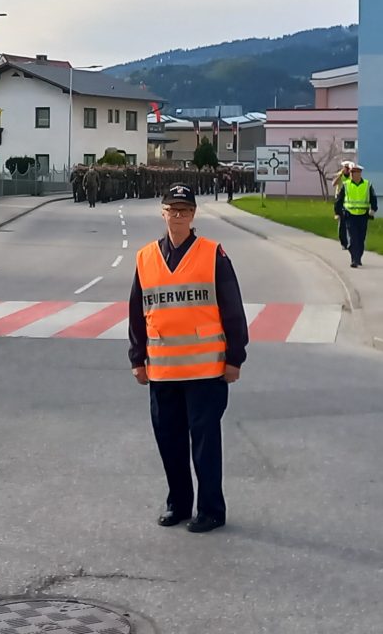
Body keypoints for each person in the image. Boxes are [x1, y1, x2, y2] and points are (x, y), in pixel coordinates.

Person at [129, 183, 249, 534]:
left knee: (205, 443)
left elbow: (233, 310)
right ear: (162, 213)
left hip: (206, 370)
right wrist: (138, 357)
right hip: (163, 370)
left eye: (184, 210)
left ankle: (211, 509)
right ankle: (178, 504)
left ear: (193, 215)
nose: (177, 216)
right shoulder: (146, 257)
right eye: (172, 209)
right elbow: (137, 311)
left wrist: (234, 358)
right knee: (170, 442)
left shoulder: (213, 255)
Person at [334, 162, 378, 268]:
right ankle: (354, 259)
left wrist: (373, 209)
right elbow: (339, 200)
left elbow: (373, 197)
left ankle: (358, 257)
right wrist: (337, 212)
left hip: (363, 215)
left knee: (361, 238)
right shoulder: (346, 185)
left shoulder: (367, 184)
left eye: (355, 172)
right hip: (350, 215)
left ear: (360, 173)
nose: (353, 174)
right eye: (352, 172)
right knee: (353, 238)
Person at [334, 161, 353, 250]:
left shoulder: (351, 176)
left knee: (349, 222)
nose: (346, 170)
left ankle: (350, 241)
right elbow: (334, 184)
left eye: (347, 168)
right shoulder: (340, 175)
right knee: (342, 223)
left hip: (348, 200)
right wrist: (340, 175)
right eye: (345, 168)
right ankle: (343, 243)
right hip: (340, 199)